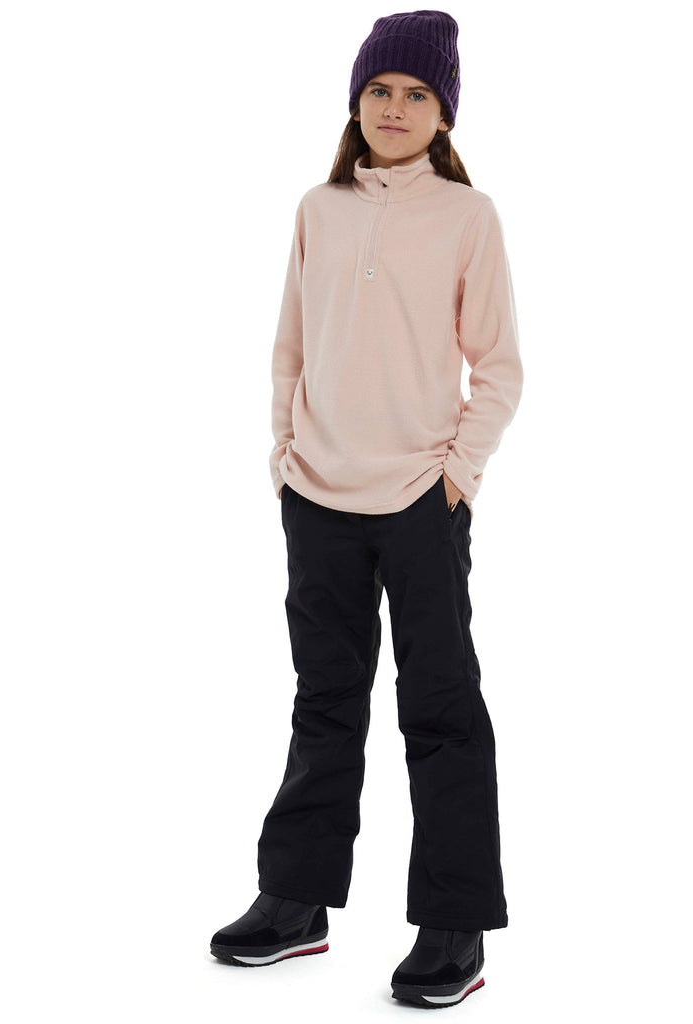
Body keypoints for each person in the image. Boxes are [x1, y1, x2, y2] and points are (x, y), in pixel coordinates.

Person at [210, 9, 524, 1009]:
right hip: (317, 492)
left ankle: (454, 923)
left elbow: (500, 366)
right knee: (324, 700)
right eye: (380, 90)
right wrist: (284, 454)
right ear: (356, 102)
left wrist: (457, 474)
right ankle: (295, 899)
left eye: (416, 94)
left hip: (420, 497)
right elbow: (290, 346)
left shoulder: (468, 217)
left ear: (443, 114)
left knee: (441, 708)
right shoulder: (320, 208)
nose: (394, 108)